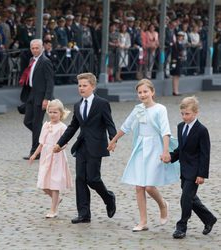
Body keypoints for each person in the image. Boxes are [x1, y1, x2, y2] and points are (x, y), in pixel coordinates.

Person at [107, 78, 179, 232]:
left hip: (155, 148)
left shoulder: (160, 109)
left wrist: (166, 151)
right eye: (140, 92)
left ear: (152, 92)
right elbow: (125, 127)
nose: (142, 94)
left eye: (145, 91)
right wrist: (113, 141)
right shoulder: (138, 109)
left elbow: (166, 131)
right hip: (140, 148)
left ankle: (162, 204)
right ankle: (143, 221)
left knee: (149, 186)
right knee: (139, 186)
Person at [53, 72, 117, 224]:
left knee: (93, 179)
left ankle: (108, 197)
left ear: (93, 87)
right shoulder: (78, 105)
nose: (81, 88)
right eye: (79, 85)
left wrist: (113, 140)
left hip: (97, 146)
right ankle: (84, 214)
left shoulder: (102, 103)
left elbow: (109, 123)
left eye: (84, 85)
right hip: (82, 146)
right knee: (81, 179)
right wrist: (59, 143)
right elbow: (73, 126)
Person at [163, 96, 217, 239]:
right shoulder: (181, 127)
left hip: (195, 171)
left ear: (196, 112)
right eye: (182, 113)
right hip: (184, 169)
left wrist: (202, 174)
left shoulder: (202, 130)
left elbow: (205, 154)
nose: (184, 116)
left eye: (187, 114)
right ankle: (209, 219)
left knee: (185, 199)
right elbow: (182, 149)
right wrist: (170, 157)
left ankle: (182, 227)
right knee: (191, 198)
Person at [29, 99, 72, 218]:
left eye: (55, 112)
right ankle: (56, 199)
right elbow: (41, 143)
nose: (52, 115)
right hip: (46, 157)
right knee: (43, 184)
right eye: (51, 112)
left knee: (54, 183)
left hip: (57, 157)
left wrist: (59, 148)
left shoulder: (62, 127)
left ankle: (53, 209)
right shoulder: (46, 125)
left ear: (61, 113)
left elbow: (65, 143)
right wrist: (34, 154)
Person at [21, 39, 54, 160]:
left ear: (42, 48)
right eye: (33, 48)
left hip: (41, 97)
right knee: (27, 121)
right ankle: (44, 140)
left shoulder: (45, 61)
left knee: (36, 123)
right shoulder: (31, 60)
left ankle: (35, 151)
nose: (35, 50)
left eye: (37, 48)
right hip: (31, 95)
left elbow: (50, 82)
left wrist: (46, 99)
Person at [170, 31, 185, 96]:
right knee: (175, 75)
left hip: (179, 60)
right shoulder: (176, 44)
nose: (180, 37)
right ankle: (175, 91)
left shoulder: (181, 43)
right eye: (179, 36)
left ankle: (176, 90)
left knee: (177, 76)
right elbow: (175, 53)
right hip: (175, 60)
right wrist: (179, 56)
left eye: (181, 36)